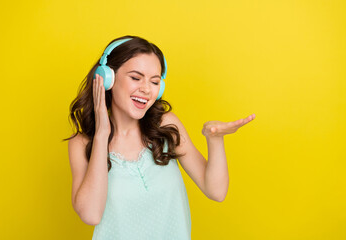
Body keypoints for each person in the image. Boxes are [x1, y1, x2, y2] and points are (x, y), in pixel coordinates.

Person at [64, 35, 255, 240]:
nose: (146, 89)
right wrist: (102, 133)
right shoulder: (82, 144)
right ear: (107, 78)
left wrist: (215, 140)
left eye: (154, 81)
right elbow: (91, 215)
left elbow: (216, 191)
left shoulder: (165, 126)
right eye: (136, 78)